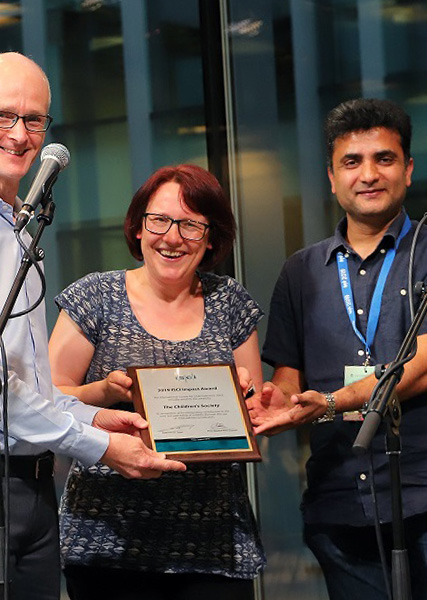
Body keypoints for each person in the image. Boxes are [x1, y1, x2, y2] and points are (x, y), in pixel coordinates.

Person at [0, 52, 185, 600]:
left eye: (35, 120)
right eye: (4, 116)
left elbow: (31, 385)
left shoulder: (22, 233)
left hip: (35, 485)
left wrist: (96, 417)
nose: (21, 134)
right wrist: (96, 446)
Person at [248, 98, 427, 599]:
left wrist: (332, 401)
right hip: (340, 498)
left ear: (408, 170)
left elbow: (423, 370)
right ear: (332, 178)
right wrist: (279, 401)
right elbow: (291, 376)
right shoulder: (301, 271)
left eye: (384, 158)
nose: (369, 174)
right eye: (352, 162)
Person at [48, 164, 266, 600]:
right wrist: (106, 392)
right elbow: (47, 400)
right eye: (160, 220)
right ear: (139, 227)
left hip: (214, 544)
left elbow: (255, 414)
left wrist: (245, 399)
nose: (172, 237)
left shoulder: (231, 302)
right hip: (106, 539)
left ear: (210, 236)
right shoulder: (95, 297)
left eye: (190, 224)